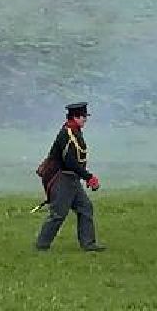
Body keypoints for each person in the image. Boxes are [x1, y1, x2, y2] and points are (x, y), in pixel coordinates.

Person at [36, 102, 104, 252]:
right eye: (83, 117)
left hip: (72, 179)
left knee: (85, 208)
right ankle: (41, 245)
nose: (85, 120)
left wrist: (84, 176)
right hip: (62, 179)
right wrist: (88, 177)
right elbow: (70, 162)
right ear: (75, 117)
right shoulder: (67, 134)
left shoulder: (75, 131)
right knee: (58, 214)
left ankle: (88, 244)